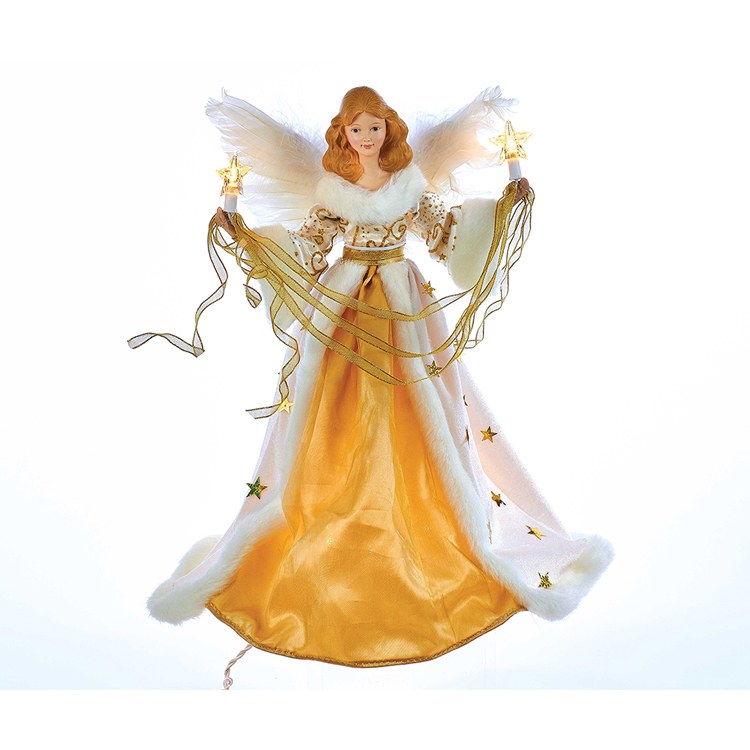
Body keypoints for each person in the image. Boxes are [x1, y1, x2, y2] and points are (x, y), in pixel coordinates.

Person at [142, 86, 613, 671]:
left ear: (389, 131)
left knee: (426, 401)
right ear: (342, 134)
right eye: (356, 129)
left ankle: (435, 517)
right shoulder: (332, 192)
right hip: (345, 307)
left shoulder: (408, 185)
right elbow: (308, 249)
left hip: (403, 303)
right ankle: (333, 515)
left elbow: (445, 234)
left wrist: (505, 204)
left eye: (375, 127)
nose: (366, 137)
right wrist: (246, 236)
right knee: (330, 408)